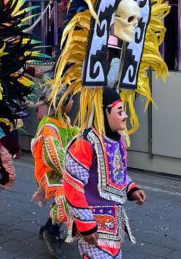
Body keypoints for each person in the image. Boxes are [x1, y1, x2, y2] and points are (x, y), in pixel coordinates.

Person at [64, 87, 146, 259]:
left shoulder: (118, 140)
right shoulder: (84, 143)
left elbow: (116, 172)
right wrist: (86, 224)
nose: (125, 116)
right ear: (104, 114)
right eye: (120, 111)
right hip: (93, 222)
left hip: (114, 224)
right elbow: (73, 187)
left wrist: (131, 189)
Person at [32, 89, 79, 257]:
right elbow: (53, 157)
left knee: (78, 189)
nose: (73, 103)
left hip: (60, 168)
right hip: (48, 171)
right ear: (61, 104)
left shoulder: (64, 120)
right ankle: (51, 233)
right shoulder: (49, 127)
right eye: (70, 100)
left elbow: (74, 135)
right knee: (68, 196)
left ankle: (47, 227)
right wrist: (74, 171)